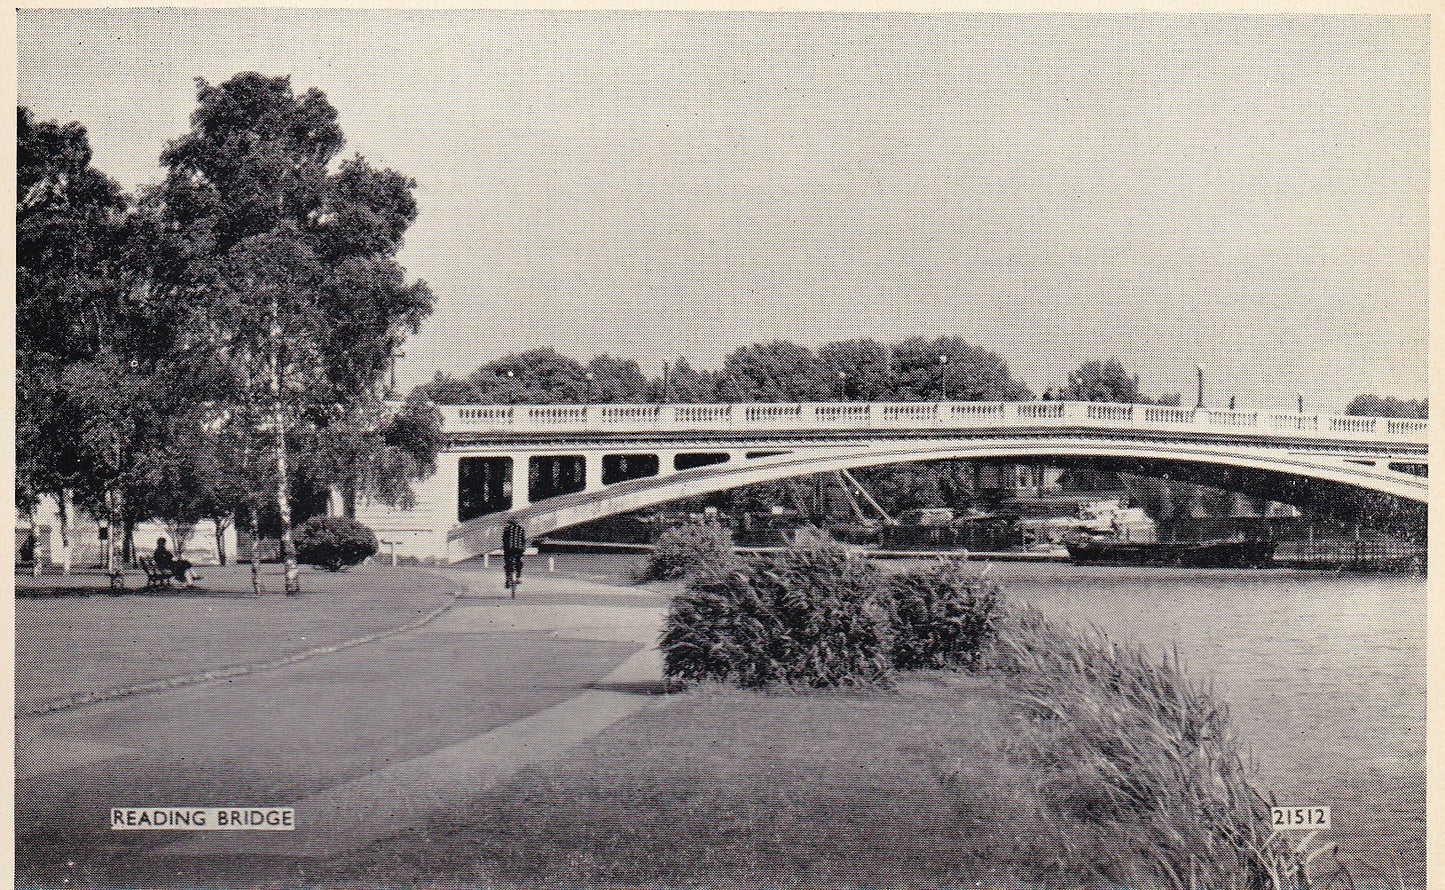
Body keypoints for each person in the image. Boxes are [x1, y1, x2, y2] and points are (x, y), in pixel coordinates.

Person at [502, 519, 526, 594]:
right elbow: (523, 540)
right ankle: (518, 576)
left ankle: (508, 579)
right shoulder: (521, 529)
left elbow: (504, 539)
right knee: (519, 561)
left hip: (509, 549)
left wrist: (505, 548)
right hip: (518, 549)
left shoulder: (507, 529)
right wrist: (522, 548)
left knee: (507, 563)